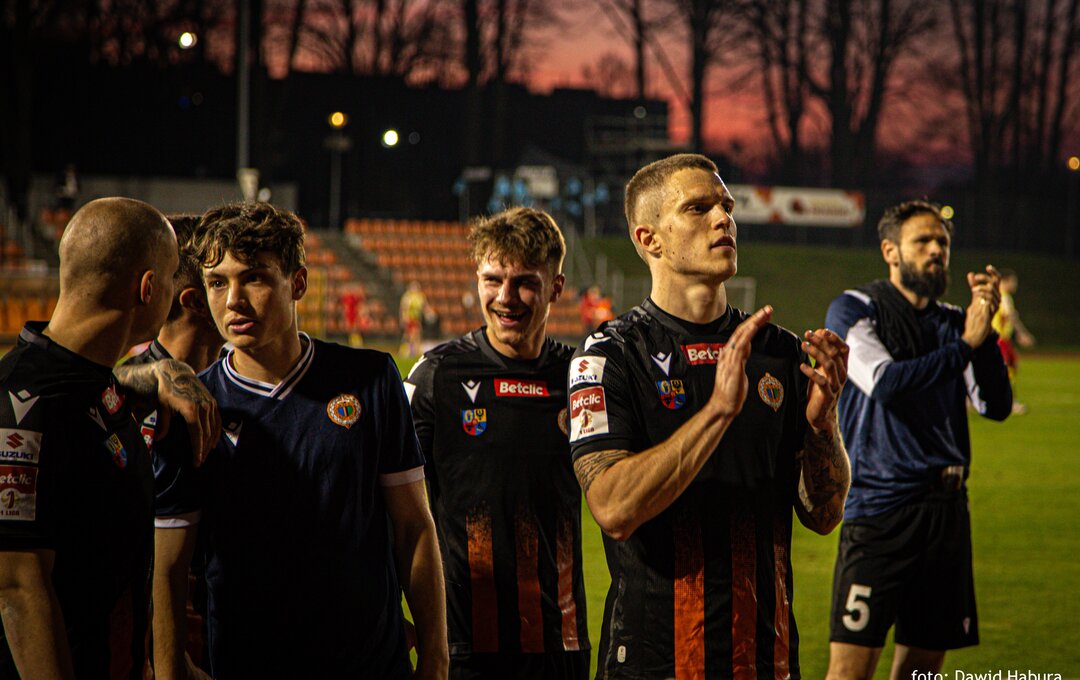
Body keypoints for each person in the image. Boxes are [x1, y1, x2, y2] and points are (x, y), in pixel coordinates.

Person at [568, 154, 851, 678]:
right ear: (650, 239)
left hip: (764, 661)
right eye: (698, 208)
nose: (723, 219)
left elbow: (825, 514)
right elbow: (612, 507)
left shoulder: (779, 352)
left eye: (727, 206)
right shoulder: (609, 356)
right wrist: (718, 413)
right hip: (654, 664)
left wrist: (822, 425)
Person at [153, 201, 448, 679]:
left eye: (254, 278)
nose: (233, 300)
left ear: (298, 283)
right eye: (217, 282)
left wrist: (436, 658)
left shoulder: (372, 379)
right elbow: (168, 563)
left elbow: (413, 526)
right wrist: (171, 669)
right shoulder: (192, 407)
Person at [0, 197, 219, 678]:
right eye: (172, 278)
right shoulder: (20, 407)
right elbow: (17, 590)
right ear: (149, 287)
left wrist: (159, 372)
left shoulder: (93, 385)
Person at [823, 200, 1013, 680]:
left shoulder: (953, 322)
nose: (936, 251)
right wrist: (966, 344)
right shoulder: (855, 308)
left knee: (924, 669)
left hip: (946, 512)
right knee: (850, 671)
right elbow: (885, 382)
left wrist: (984, 334)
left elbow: (994, 406)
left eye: (942, 242)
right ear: (890, 251)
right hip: (880, 511)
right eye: (923, 241)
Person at [404, 207, 590, 679]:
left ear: (556, 288)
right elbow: (389, 506)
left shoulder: (582, 378)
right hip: (465, 645)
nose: (505, 298)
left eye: (524, 282)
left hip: (560, 644)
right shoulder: (434, 378)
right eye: (492, 280)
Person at [122, 213, 224, 680]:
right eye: (221, 281)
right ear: (197, 301)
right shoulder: (126, 393)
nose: (239, 298)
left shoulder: (237, 383)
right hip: (163, 638)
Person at [992, 269, 1035, 413]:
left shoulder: (996, 295)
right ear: (1006, 281)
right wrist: (1022, 334)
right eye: (1013, 281)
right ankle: (1009, 402)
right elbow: (1010, 316)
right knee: (1006, 370)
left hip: (1002, 339)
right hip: (999, 340)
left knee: (1011, 366)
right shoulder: (1003, 297)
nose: (1015, 285)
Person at [401, 280, 430, 358]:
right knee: (411, 335)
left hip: (417, 319)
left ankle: (413, 351)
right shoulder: (408, 296)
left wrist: (428, 313)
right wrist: (404, 318)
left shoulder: (421, 296)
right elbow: (404, 308)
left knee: (415, 335)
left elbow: (425, 306)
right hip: (410, 318)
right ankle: (409, 350)